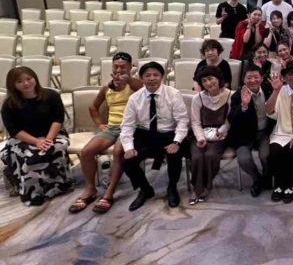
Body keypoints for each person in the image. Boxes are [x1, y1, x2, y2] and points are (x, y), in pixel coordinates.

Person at [70, 52, 143, 214]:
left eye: (123, 67)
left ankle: (109, 192)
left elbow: (144, 90)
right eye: (116, 66)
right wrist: (99, 124)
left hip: (131, 128)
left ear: (130, 67)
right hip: (112, 127)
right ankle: (90, 188)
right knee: (87, 152)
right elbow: (93, 107)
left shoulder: (135, 84)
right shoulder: (106, 88)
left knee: (118, 152)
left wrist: (128, 79)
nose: (119, 70)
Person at [121, 61, 190, 210]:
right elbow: (127, 125)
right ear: (141, 78)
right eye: (147, 75)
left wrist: (177, 142)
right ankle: (145, 189)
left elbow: (182, 121)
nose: (152, 78)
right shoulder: (135, 98)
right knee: (128, 161)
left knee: (175, 155)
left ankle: (172, 187)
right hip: (145, 135)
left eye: (155, 75)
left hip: (168, 134)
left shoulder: (173, 94)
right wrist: (128, 147)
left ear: (162, 77)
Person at [1, 67, 72, 206]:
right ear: (13, 85)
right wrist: (36, 142)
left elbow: (58, 119)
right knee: (32, 156)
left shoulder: (51, 95)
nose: (26, 83)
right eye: (20, 81)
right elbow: (14, 130)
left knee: (55, 148)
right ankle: (33, 193)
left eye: (29, 79)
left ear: (35, 78)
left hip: (53, 133)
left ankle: (59, 186)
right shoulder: (9, 104)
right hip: (23, 138)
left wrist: (48, 139)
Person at [265, 61, 293, 203]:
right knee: (274, 153)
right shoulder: (280, 90)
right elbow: (268, 111)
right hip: (281, 132)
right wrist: (275, 91)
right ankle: (279, 184)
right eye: (290, 74)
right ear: (285, 77)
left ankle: (290, 185)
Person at [227, 65, 273, 197]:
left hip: (264, 132)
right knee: (244, 159)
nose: (253, 80)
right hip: (244, 135)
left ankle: (267, 176)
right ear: (243, 80)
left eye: (256, 77)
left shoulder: (269, 89)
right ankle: (257, 179)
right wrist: (244, 106)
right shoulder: (238, 95)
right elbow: (232, 119)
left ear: (262, 78)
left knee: (266, 156)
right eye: (249, 78)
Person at [188, 65, 231, 205]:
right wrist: (200, 138)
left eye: (210, 79)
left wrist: (222, 131)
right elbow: (195, 122)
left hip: (220, 135)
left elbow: (230, 120)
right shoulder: (197, 98)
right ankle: (199, 188)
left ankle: (201, 188)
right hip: (200, 134)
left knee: (211, 155)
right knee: (197, 157)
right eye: (204, 81)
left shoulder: (230, 95)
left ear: (218, 78)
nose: (208, 83)